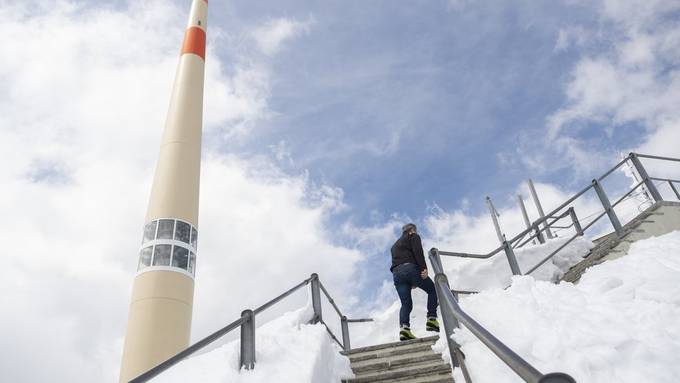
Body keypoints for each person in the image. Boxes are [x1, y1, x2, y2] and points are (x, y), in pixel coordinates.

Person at [390, 223, 439, 341]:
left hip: (397, 274)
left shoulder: (394, 245)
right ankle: (431, 319)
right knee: (432, 289)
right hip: (410, 269)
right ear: (413, 229)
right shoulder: (413, 236)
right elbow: (418, 252)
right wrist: (424, 268)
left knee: (406, 304)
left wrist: (410, 281)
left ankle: (404, 330)